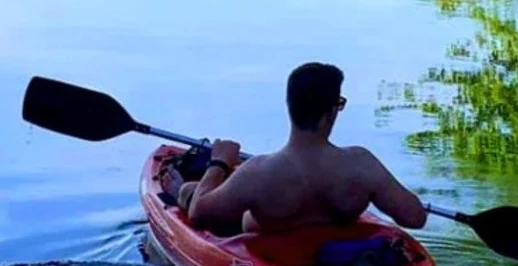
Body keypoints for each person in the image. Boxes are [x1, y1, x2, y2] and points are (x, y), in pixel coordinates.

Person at [178, 62, 428, 234]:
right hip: (337, 265)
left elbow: (198, 216)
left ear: (290, 106)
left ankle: (177, 189)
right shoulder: (360, 164)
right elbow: (415, 217)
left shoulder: (260, 173)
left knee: (189, 191)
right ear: (331, 111)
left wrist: (218, 163)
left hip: (276, 263)